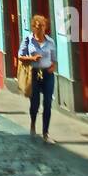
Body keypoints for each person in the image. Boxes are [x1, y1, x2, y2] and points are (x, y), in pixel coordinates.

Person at [20, 14, 57, 143]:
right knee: (34, 103)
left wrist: (53, 67)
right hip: (34, 74)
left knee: (48, 103)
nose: (41, 29)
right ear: (33, 27)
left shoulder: (50, 42)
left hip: (47, 74)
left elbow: (54, 60)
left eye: (43, 26)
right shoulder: (28, 40)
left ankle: (45, 132)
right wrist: (32, 58)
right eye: (38, 26)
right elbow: (20, 56)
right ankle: (33, 123)